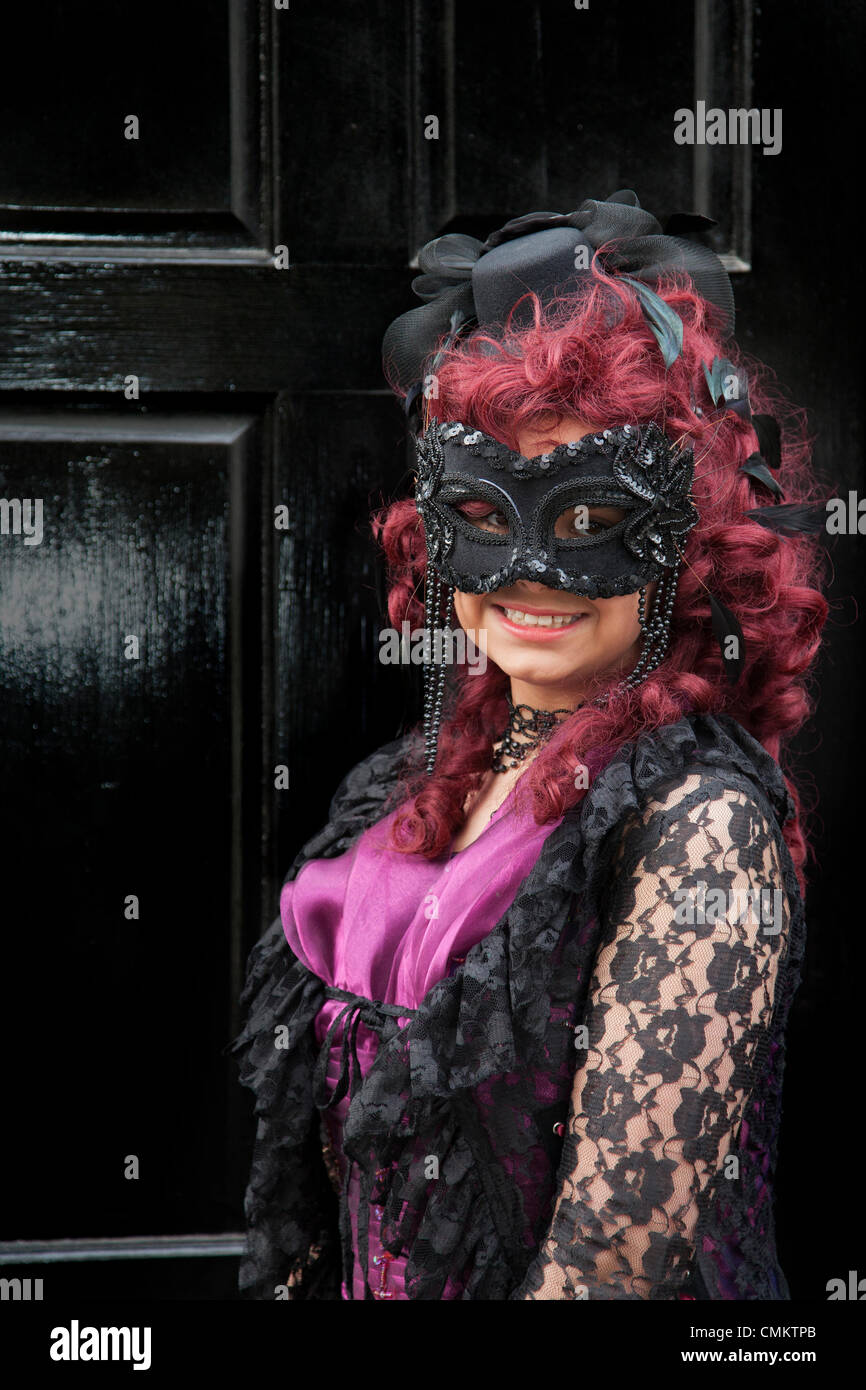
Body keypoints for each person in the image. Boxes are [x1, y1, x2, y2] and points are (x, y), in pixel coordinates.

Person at [228, 190, 828, 1300]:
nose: (527, 576)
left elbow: (607, 1272)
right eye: (482, 515)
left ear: (689, 548)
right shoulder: (409, 788)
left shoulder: (702, 827)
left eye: (593, 521)